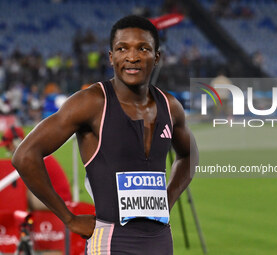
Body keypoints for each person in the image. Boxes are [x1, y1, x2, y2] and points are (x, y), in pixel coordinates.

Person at [12, 15, 198, 255]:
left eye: (143, 48)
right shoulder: (92, 103)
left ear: (157, 56)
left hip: (161, 240)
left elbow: (189, 154)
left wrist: (169, 198)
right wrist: (68, 218)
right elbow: (25, 155)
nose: (132, 57)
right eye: (122, 49)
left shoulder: (170, 106)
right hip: (112, 241)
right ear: (111, 57)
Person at [1, 126, 72, 255]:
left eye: (9, 145)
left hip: (59, 201)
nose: (7, 149)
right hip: (53, 198)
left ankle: (15, 238)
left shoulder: (29, 157)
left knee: (18, 196)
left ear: (17, 142)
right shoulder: (33, 154)